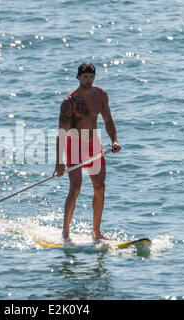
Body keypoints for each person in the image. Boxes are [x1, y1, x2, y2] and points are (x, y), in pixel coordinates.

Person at [53, 62, 121, 243]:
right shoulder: (69, 102)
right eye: (85, 77)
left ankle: (96, 232)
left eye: (91, 77)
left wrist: (113, 140)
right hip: (74, 144)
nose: (88, 80)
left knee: (100, 187)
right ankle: (66, 232)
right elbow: (61, 132)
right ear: (78, 78)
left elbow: (108, 121)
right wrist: (59, 162)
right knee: (75, 188)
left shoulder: (101, 95)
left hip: (94, 143)